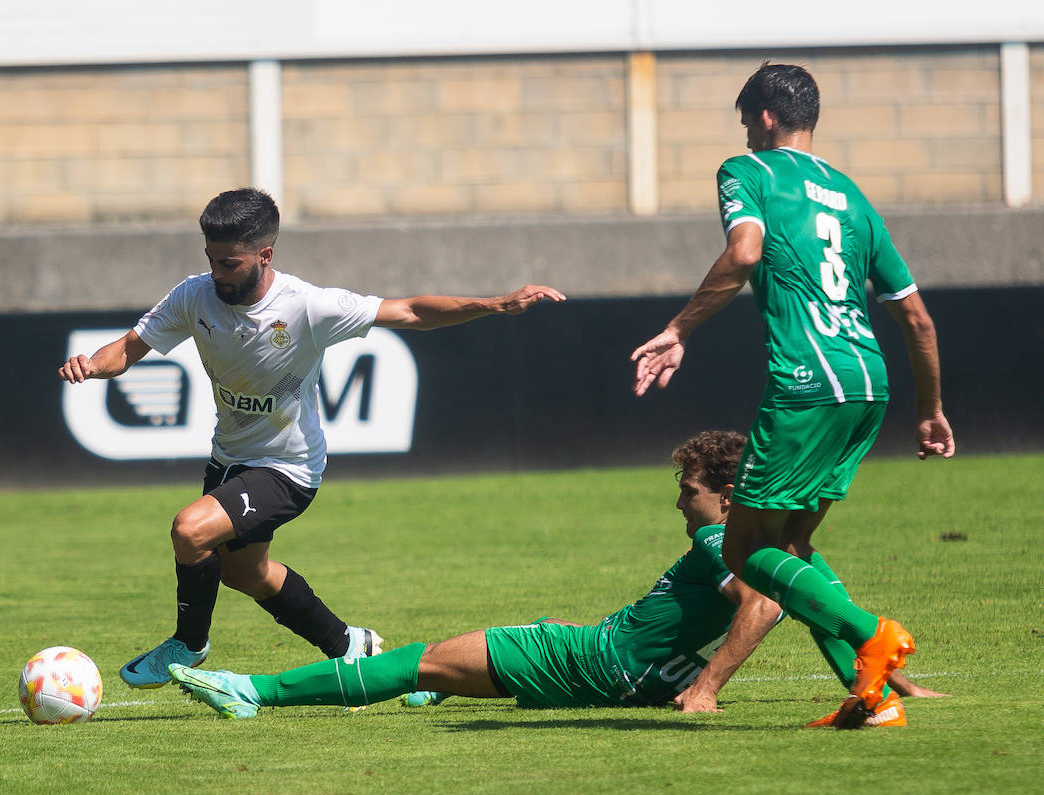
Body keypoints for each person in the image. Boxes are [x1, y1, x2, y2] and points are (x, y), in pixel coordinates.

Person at [59, 188, 565, 688]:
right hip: (228, 459)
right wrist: (92, 365)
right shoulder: (194, 295)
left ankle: (188, 644)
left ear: (265, 255)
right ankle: (348, 644)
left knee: (190, 530)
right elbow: (129, 347)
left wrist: (494, 304)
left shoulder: (307, 306)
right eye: (210, 259)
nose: (217, 273)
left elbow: (410, 310)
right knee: (245, 573)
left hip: (288, 468)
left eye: (230, 263)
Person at [167, 430, 942, 723]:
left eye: (690, 489)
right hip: (625, 669)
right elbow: (821, 608)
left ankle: (254, 691)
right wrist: (881, 682)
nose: (680, 501)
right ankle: (447, 688)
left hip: (594, 660)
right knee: (487, 657)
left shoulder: (723, 540)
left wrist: (708, 688)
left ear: (725, 498)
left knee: (415, 661)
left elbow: (763, 608)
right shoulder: (780, 545)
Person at [629, 63, 956, 728]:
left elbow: (744, 253)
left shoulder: (747, 172)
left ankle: (873, 636)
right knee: (793, 549)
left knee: (744, 551)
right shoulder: (852, 195)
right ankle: (876, 693)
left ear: (766, 117)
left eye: (747, 123)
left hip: (808, 382)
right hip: (868, 383)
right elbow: (918, 319)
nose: (747, 136)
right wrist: (931, 411)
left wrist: (679, 329)